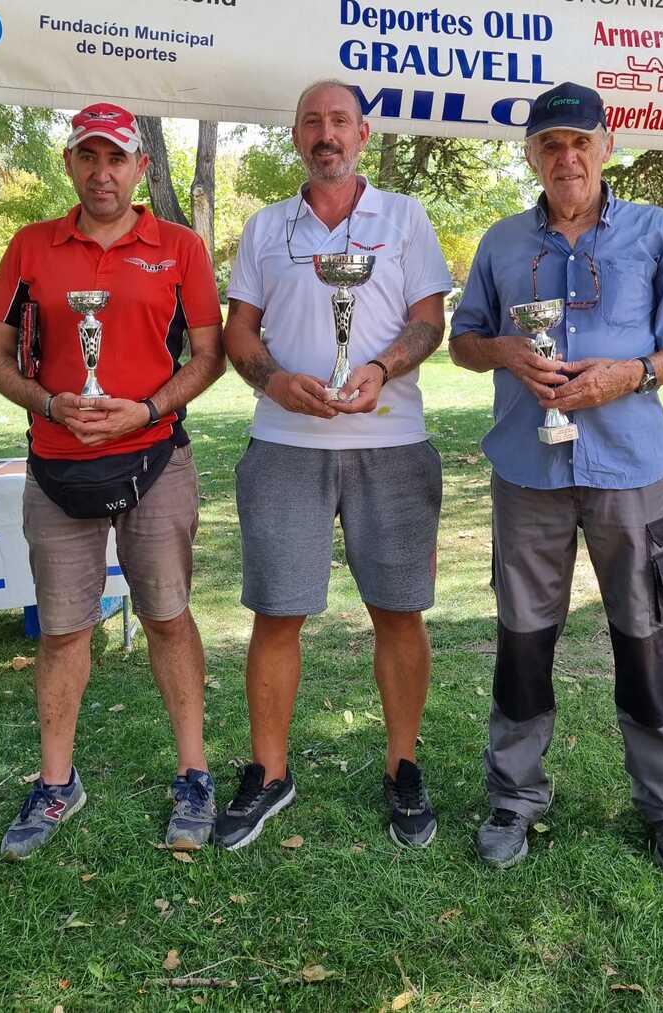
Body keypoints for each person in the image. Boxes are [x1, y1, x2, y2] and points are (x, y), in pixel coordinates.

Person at [449, 82, 663, 877]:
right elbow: (464, 342)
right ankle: (515, 798)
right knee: (524, 642)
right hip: (527, 470)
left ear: (606, 146)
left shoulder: (654, 233)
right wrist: (506, 351)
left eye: (579, 142)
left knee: (644, 638)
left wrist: (629, 373)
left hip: (628, 469)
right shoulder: (502, 243)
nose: (565, 157)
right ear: (531, 155)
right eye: (549, 145)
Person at [0, 102, 225, 861]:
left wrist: (144, 409)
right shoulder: (30, 247)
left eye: (115, 157)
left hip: (155, 459)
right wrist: (52, 402)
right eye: (87, 157)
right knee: (62, 631)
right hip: (57, 465)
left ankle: (194, 772)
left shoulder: (180, 247)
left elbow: (209, 355)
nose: (102, 172)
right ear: (69, 165)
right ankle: (57, 782)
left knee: (168, 617)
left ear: (140, 167)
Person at [217, 80, 452, 850]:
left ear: (363, 133)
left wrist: (380, 369)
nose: (327, 134)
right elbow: (239, 333)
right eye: (312, 121)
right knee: (277, 612)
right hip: (287, 445)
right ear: (295, 136)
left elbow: (428, 322)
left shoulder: (406, 218)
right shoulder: (264, 228)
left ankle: (404, 767)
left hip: (390, 442)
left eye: (340, 121)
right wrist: (273, 378)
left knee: (398, 610)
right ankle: (270, 772)